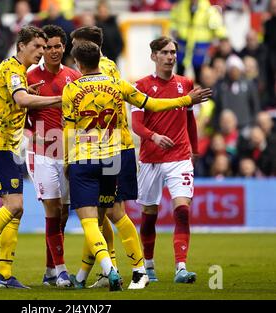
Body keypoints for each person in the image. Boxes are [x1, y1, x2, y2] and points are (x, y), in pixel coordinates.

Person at [63, 41, 211, 291]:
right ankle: (139, 270)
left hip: (83, 159)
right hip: (112, 158)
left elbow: (68, 129)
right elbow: (152, 104)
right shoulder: (118, 84)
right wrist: (185, 99)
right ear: (100, 60)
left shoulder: (71, 89)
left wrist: (67, 159)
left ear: (77, 63)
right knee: (116, 214)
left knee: (90, 222)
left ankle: (109, 270)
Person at [0, 25, 63, 289]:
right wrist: (58, 100)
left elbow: (12, 99)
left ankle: (4, 274)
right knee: (14, 206)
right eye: (37, 47)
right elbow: (20, 99)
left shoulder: (16, 71)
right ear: (21, 46)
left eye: (44, 47)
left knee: (15, 211)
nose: (41, 52)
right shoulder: (12, 70)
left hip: (10, 147)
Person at [69, 25, 144, 289]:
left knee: (112, 212)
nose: (71, 49)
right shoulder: (109, 68)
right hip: (110, 147)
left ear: (88, 46)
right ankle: (102, 270)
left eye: (75, 44)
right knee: (100, 216)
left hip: (113, 147)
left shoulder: (104, 69)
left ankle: (138, 269)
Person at [132, 36, 199, 283]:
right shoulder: (140, 87)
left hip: (179, 157)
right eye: (165, 53)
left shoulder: (186, 83)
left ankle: (181, 267)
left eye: (173, 52)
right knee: (149, 214)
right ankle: (148, 266)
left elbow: (190, 119)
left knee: (182, 210)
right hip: (151, 159)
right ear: (154, 56)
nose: (170, 57)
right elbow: (136, 125)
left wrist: (195, 147)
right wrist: (154, 136)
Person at [25, 25, 81, 287]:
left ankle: (49, 271)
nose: (53, 51)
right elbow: (16, 115)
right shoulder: (28, 77)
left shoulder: (74, 76)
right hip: (41, 152)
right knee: (53, 208)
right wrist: (31, 136)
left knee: (63, 213)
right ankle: (61, 270)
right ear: (40, 48)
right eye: (48, 47)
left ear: (64, 47)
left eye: (58, 46)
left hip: (67, 152)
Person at [170, 0, 227, 83]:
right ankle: (178, 91)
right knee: (180, 69)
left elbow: (217, 25)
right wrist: (174, 29)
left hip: (200, 44)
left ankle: (199, 92)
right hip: (183, 42)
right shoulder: (181, 5)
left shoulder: (207, 8)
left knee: (198, 71)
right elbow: (173, 19)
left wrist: (223, 38)